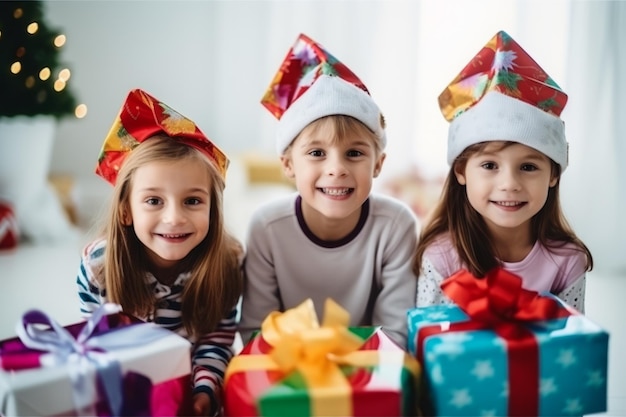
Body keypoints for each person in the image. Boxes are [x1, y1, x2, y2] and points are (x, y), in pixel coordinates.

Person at [239, 33, 418, 348]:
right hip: (286, 373)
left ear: (378, 164)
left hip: (370, 372)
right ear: (288, 165)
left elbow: (397, 334)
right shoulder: (267, 228)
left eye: (354, 153)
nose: (337, 169)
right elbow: (256, 332)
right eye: (317, 153)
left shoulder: (396, 225)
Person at [76, 89, 242, 416]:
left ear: (213, 209)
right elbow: (99, 348)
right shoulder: (99, 267)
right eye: (154, 201)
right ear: (126, 210)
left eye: (192, 201)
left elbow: (216, 342)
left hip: (196, 385)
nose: (174, 218)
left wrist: (205, 391)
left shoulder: (227, 263)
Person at [413, 30, 593, 312]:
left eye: (528, 167)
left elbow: (571, 342)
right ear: (461, 170)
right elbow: (427, 339)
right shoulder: (441, 257)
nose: (509, 183)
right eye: (489, 165)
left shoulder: (568, 260)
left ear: (553, 175)